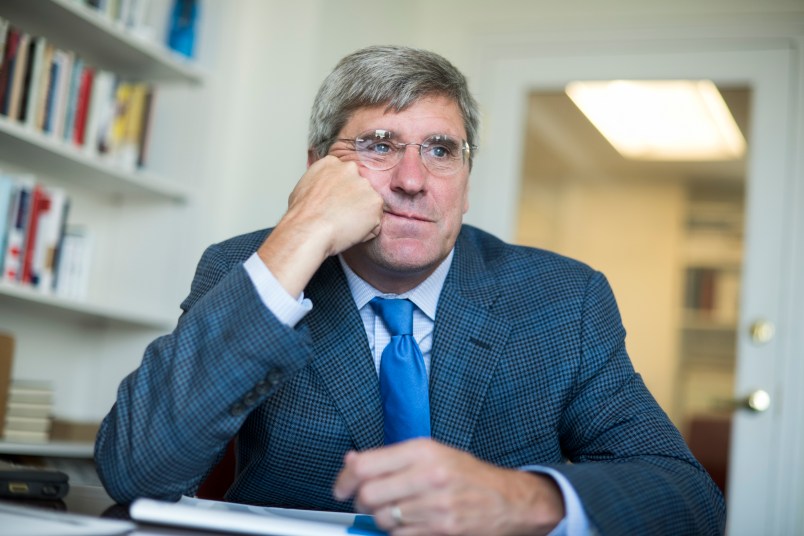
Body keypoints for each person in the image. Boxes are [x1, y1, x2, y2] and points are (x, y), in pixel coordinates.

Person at [95, 45, 726, 535]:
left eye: (441, 150)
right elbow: (137, 471)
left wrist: (524, 500)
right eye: (378, 145)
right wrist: (301, 232)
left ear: (466, 179)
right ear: (318, 168)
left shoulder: (564, 300)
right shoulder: (251, 268)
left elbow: (689, 500)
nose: (412, 179)